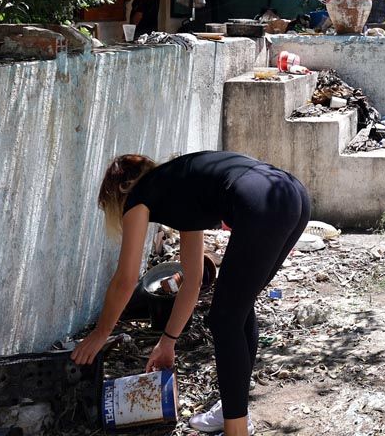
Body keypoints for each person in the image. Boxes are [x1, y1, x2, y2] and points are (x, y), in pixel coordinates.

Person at [72, 151, 311, 436]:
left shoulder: (138, 197)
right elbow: (193, 279)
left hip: (264, 201)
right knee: (236, 310)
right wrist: (168, 342)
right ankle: (234, 411)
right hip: (291, 193)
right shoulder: (179, 185)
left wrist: (100, 333)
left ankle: (237, 430)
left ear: (121, 190)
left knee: (225, 319)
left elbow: (125, 280)